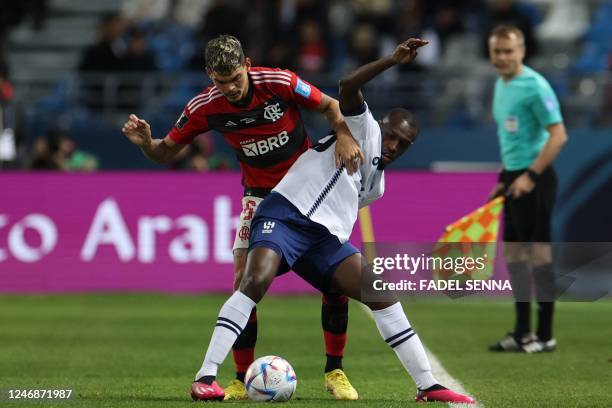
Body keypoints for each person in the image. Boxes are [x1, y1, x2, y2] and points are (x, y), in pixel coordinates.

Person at [190, 38, 475, 404]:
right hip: (285, 212)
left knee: (382, 294)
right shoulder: (364, 126)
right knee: (253, 281)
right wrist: (391, 59)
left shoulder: (378, 186)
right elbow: (347, 86)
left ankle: (428, 385)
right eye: (391, 135)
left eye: (402, 144)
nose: (391, 145)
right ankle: (205, 377)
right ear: (382, 126)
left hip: (323, 239)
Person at [121, 35, 364, 400]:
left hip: (310, 192)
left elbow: (330, 106)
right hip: (260, 198)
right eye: (222, 82)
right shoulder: (204, 106)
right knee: (244, 282)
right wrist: (146, 144)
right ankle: (238, 377)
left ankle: (335, 370)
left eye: (236, 77)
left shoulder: (278, 83)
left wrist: (343, 134)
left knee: (335, 280)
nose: (231, 88)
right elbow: (166, 152)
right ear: (209, 76)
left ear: (247, 64)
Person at [486, 26, 567, 353]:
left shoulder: (535, 86)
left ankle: (545, 335)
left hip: (538, 178)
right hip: (515, 177)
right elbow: (512, 140)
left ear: (522, 51)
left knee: (538, 256)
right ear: (491, 54)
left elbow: (559, 135)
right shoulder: (500, 85)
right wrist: (505, 178)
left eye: (509, 50)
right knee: (515, 255)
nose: (503, 57)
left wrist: (530, 176)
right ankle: (522, 332)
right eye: (497, 51)